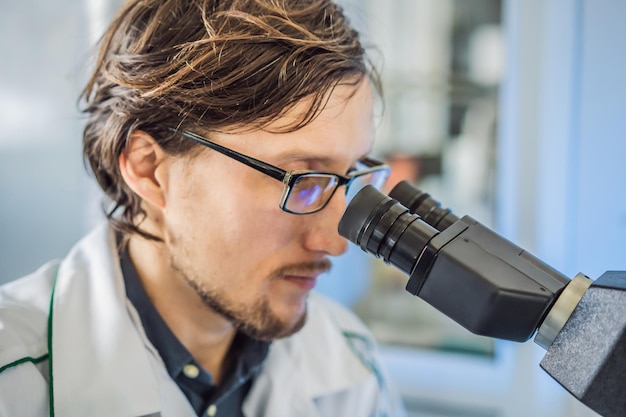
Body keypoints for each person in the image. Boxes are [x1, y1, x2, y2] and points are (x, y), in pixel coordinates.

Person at [0, 0, 406, 416]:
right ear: (150, 169)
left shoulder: (351, 364)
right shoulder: (13, 385)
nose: (336, 243)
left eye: (349, 174)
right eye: (301, 180)